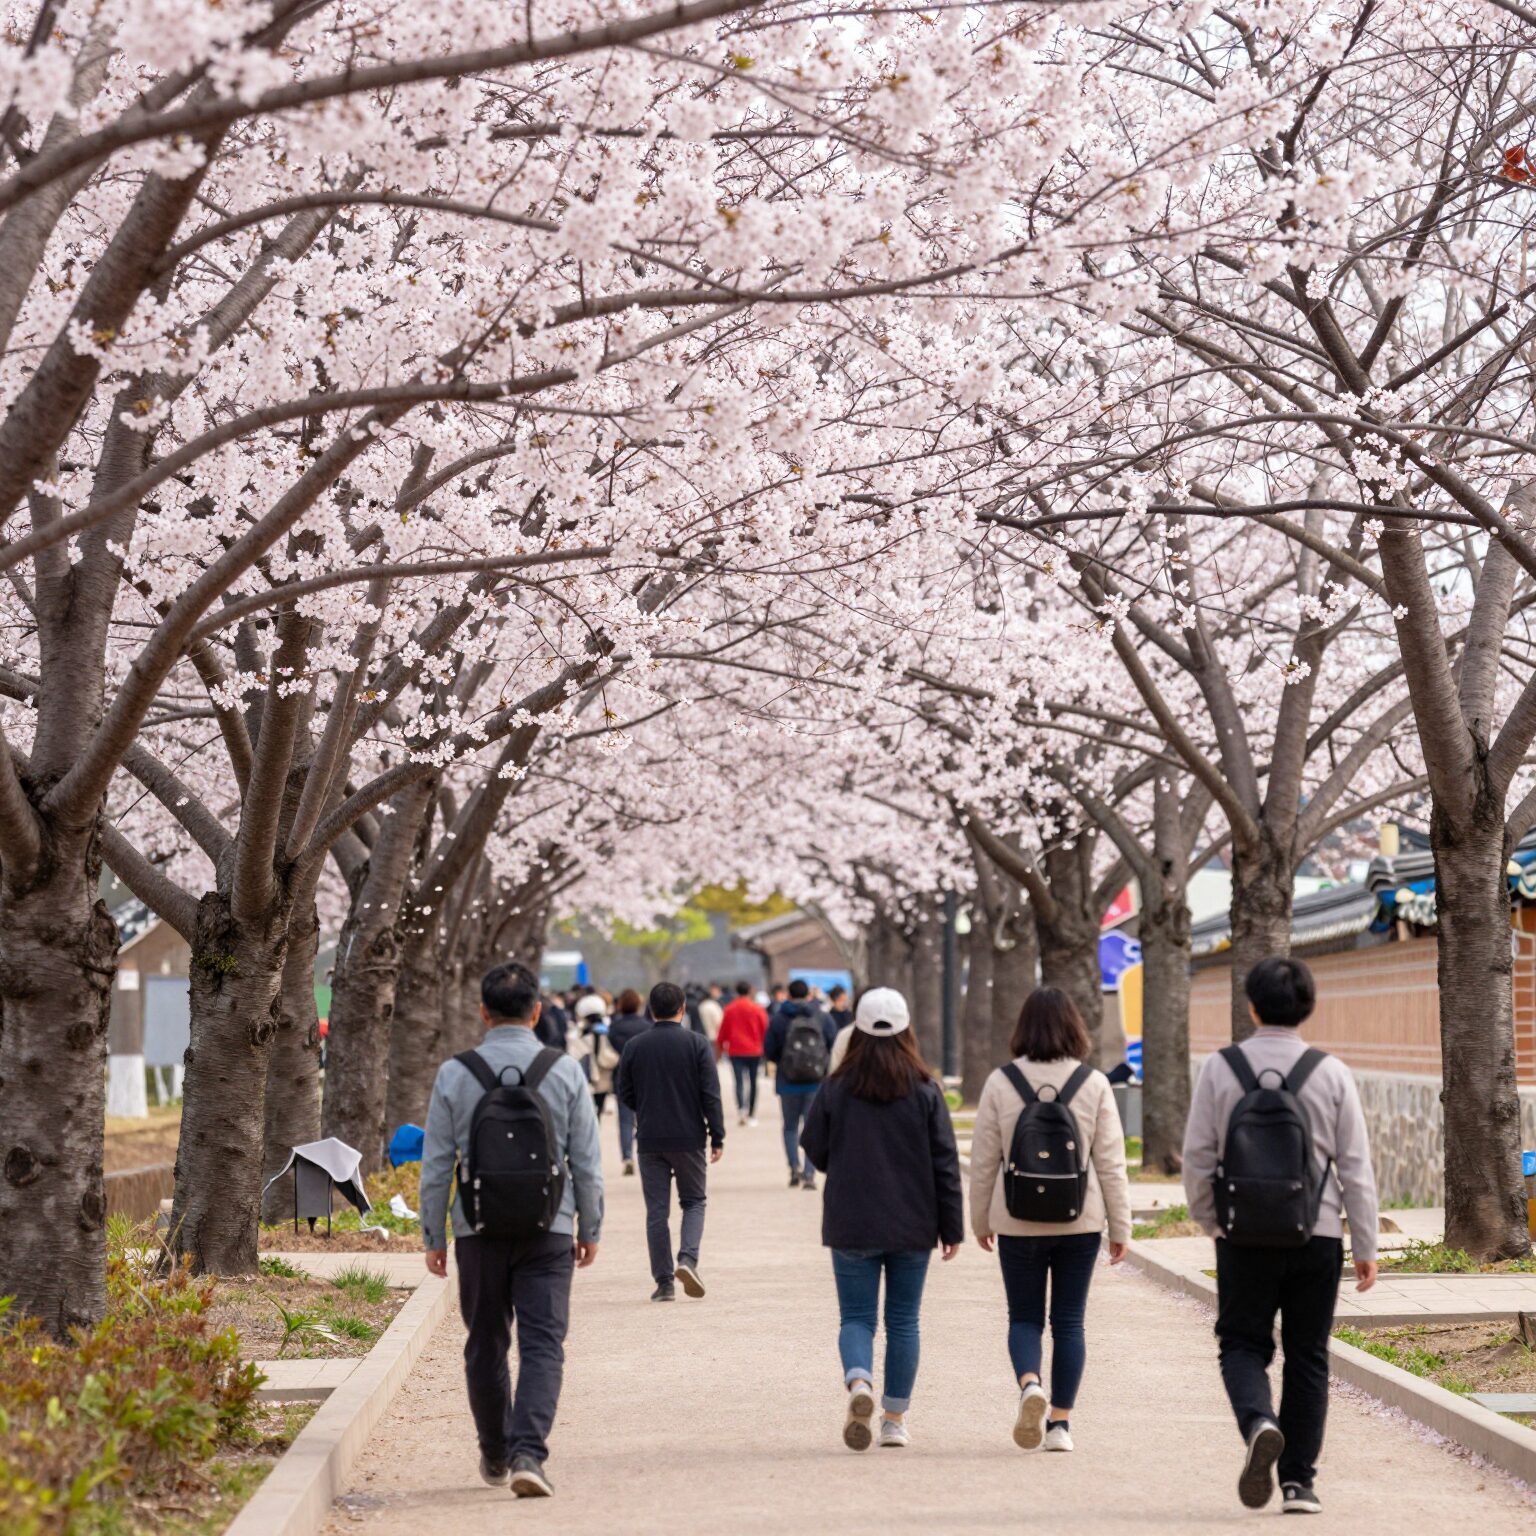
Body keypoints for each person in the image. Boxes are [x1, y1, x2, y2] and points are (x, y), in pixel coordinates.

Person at [1183, 957, 1379, 1515]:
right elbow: (1356, 1168)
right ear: (1308, 1008)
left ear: (1251, 1006)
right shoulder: (1331, 1072)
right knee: (1308, 1355)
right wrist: (1364, 1244)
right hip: (1316, 1236)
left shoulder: (1222, 1069)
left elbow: (1198, 1160)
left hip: (1243, 1234)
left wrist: (1212, 1222)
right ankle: (1299, 1484)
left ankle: (1258, 1421)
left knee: (1242, 1343)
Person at [420, 961, 603, 1501]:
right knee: (544, 1343)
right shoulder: (564, 1070)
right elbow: (587, 1161)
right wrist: (588, 1225)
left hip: (477, 1228)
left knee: (486, 1342)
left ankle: (496, 1451)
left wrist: (434, 1235)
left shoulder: (456, 1072)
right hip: (550, 1227)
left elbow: (435, 1163)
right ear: (538, 1012)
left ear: (483, 1011)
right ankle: (529, 1453)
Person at [968, 987, 1132, 1456]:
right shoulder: (1094, 1083)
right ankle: (1060, 1425)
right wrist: (1120, 1228)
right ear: (1075, 1029)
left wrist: (981, 1219)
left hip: (1017, 1220)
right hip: (1080, 1220)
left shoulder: (1001, 1083)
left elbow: (984, 1161)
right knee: (1070, 1322)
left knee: (1023, 1317)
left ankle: (1029, 1385)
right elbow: (1111, 1163)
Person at [800, 987, 962, 1451]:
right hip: (914, 1222)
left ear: (857, 1031)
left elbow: (814, 1147)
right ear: (908, 1030)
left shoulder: (837, 1088)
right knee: (904, 1320)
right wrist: (952, 1228)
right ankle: (893, 1420)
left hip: (852, 1218)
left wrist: (844, 1160)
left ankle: (859, 1385)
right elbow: (945, 1162)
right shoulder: (926, 1090)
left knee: (856, 1317)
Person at [615, 982, 726, 1301]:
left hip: (649, 1137)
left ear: (651, 1009)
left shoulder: (635, 1045)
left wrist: (647, 1110)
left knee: (656, 1211)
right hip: (689, 1136)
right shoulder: (697, 1044)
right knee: (693, 1201)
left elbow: (625, 1093)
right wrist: (717, 1135)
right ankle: (687, 1259)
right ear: (682, 1008)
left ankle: (663, 1282)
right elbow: (711, 1095)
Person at [763, 978, 838, 1190]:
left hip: (788, 1082)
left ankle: (794, 1167)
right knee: (813, 1127)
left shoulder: (779, 1018)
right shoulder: (821, 1017)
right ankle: (809, 1173)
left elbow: (769, 1049)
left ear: (788, 994)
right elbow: (832, 1043)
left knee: (789, 1127)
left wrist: (784, 1063)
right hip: (816, 1082)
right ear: (808, 995)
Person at [607, 988, 651, 1176]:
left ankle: (627, 1156)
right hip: (645, 1077)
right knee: (645, 1118)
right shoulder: (647, 1026)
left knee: (625, 1119)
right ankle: (645, 1152)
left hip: (622, 1076)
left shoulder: (614, 1027)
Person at [717, 979, 769, 1126]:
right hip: (754, 1050)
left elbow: (723, 1031)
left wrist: (720, 1049)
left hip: (736, 1050)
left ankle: (741, 1109)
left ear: (736, 992)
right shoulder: (758, 1009)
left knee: (739, 1081)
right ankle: (751, 1113)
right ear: (750, 991)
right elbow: (765, 1029)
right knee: (753, 1082)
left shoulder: (729, 1009)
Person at [577, 994, 615, 1116]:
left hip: (587, 1077)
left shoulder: (580, 1033)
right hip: (603, 1076)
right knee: (599, 1109)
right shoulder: (606, 1029)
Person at [698, 983, 724, 1054]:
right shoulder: (714, 1006)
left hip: (703, 1037)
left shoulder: (701, 1005)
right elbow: (719, 1023)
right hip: (714, 1038)